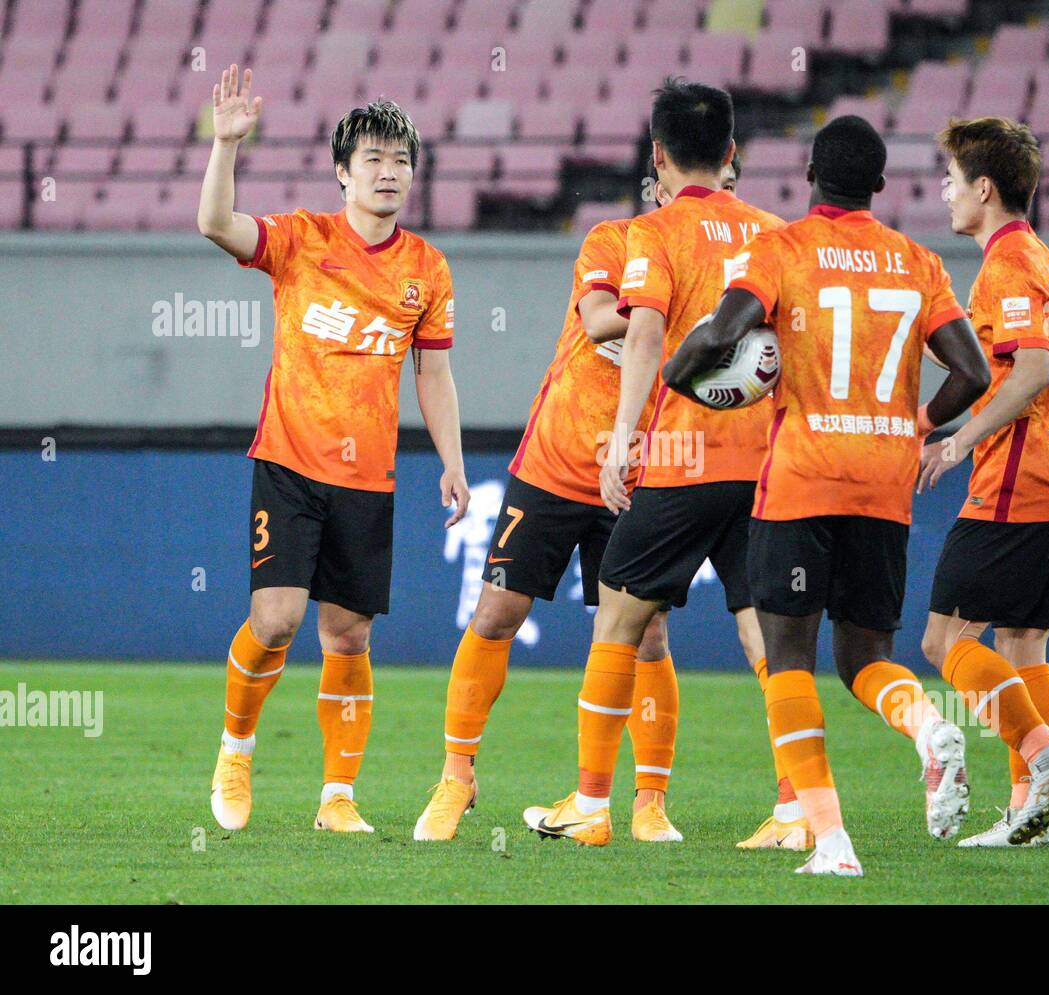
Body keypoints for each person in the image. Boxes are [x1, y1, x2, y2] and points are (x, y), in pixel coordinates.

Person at [664, 115, 992, 874]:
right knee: (867, 654)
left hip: (803, 481)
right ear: (880, 184)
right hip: (884, 483)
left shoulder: (781, 248)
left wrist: (679, 379)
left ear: (810, 174)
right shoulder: (918, 262)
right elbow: (973, 374)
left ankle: (833, 842)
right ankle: (924, 727)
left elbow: (722, 334)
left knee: (788, 660)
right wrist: (917, 422)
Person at [199, 66, 468, 833]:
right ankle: (236, 745)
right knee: (277, 620)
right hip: (288, 462)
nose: (389, 172)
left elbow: (435, 371)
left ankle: (336, 796)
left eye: (401, 161)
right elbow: (216, 223)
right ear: (343, 171)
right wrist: (226, 146)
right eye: (374, 159)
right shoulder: (300, 240)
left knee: (348, 635)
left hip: (368, 477)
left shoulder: (427, 268)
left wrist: (451, 459)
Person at [521, 80, 784, 847]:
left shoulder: (655, 233)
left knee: (618, 620)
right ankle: (797, 808)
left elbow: (640, 336)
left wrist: (627, 437)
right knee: (765, 635)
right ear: (733, 154)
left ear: (659, 157)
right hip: (763, 464)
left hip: (680, 461)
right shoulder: (775, 234)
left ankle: (593, 805)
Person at [918, 117, 1049, 847]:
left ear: (984, 188)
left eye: (953, 179)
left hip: (1021, 484)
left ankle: (1043, 755)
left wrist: (959, 439)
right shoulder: (1037, 255)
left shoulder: (1005, 265)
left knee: (941, 639)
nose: (945, 191)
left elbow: (1032, 370)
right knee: (1025, 645)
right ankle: (1033, 810)